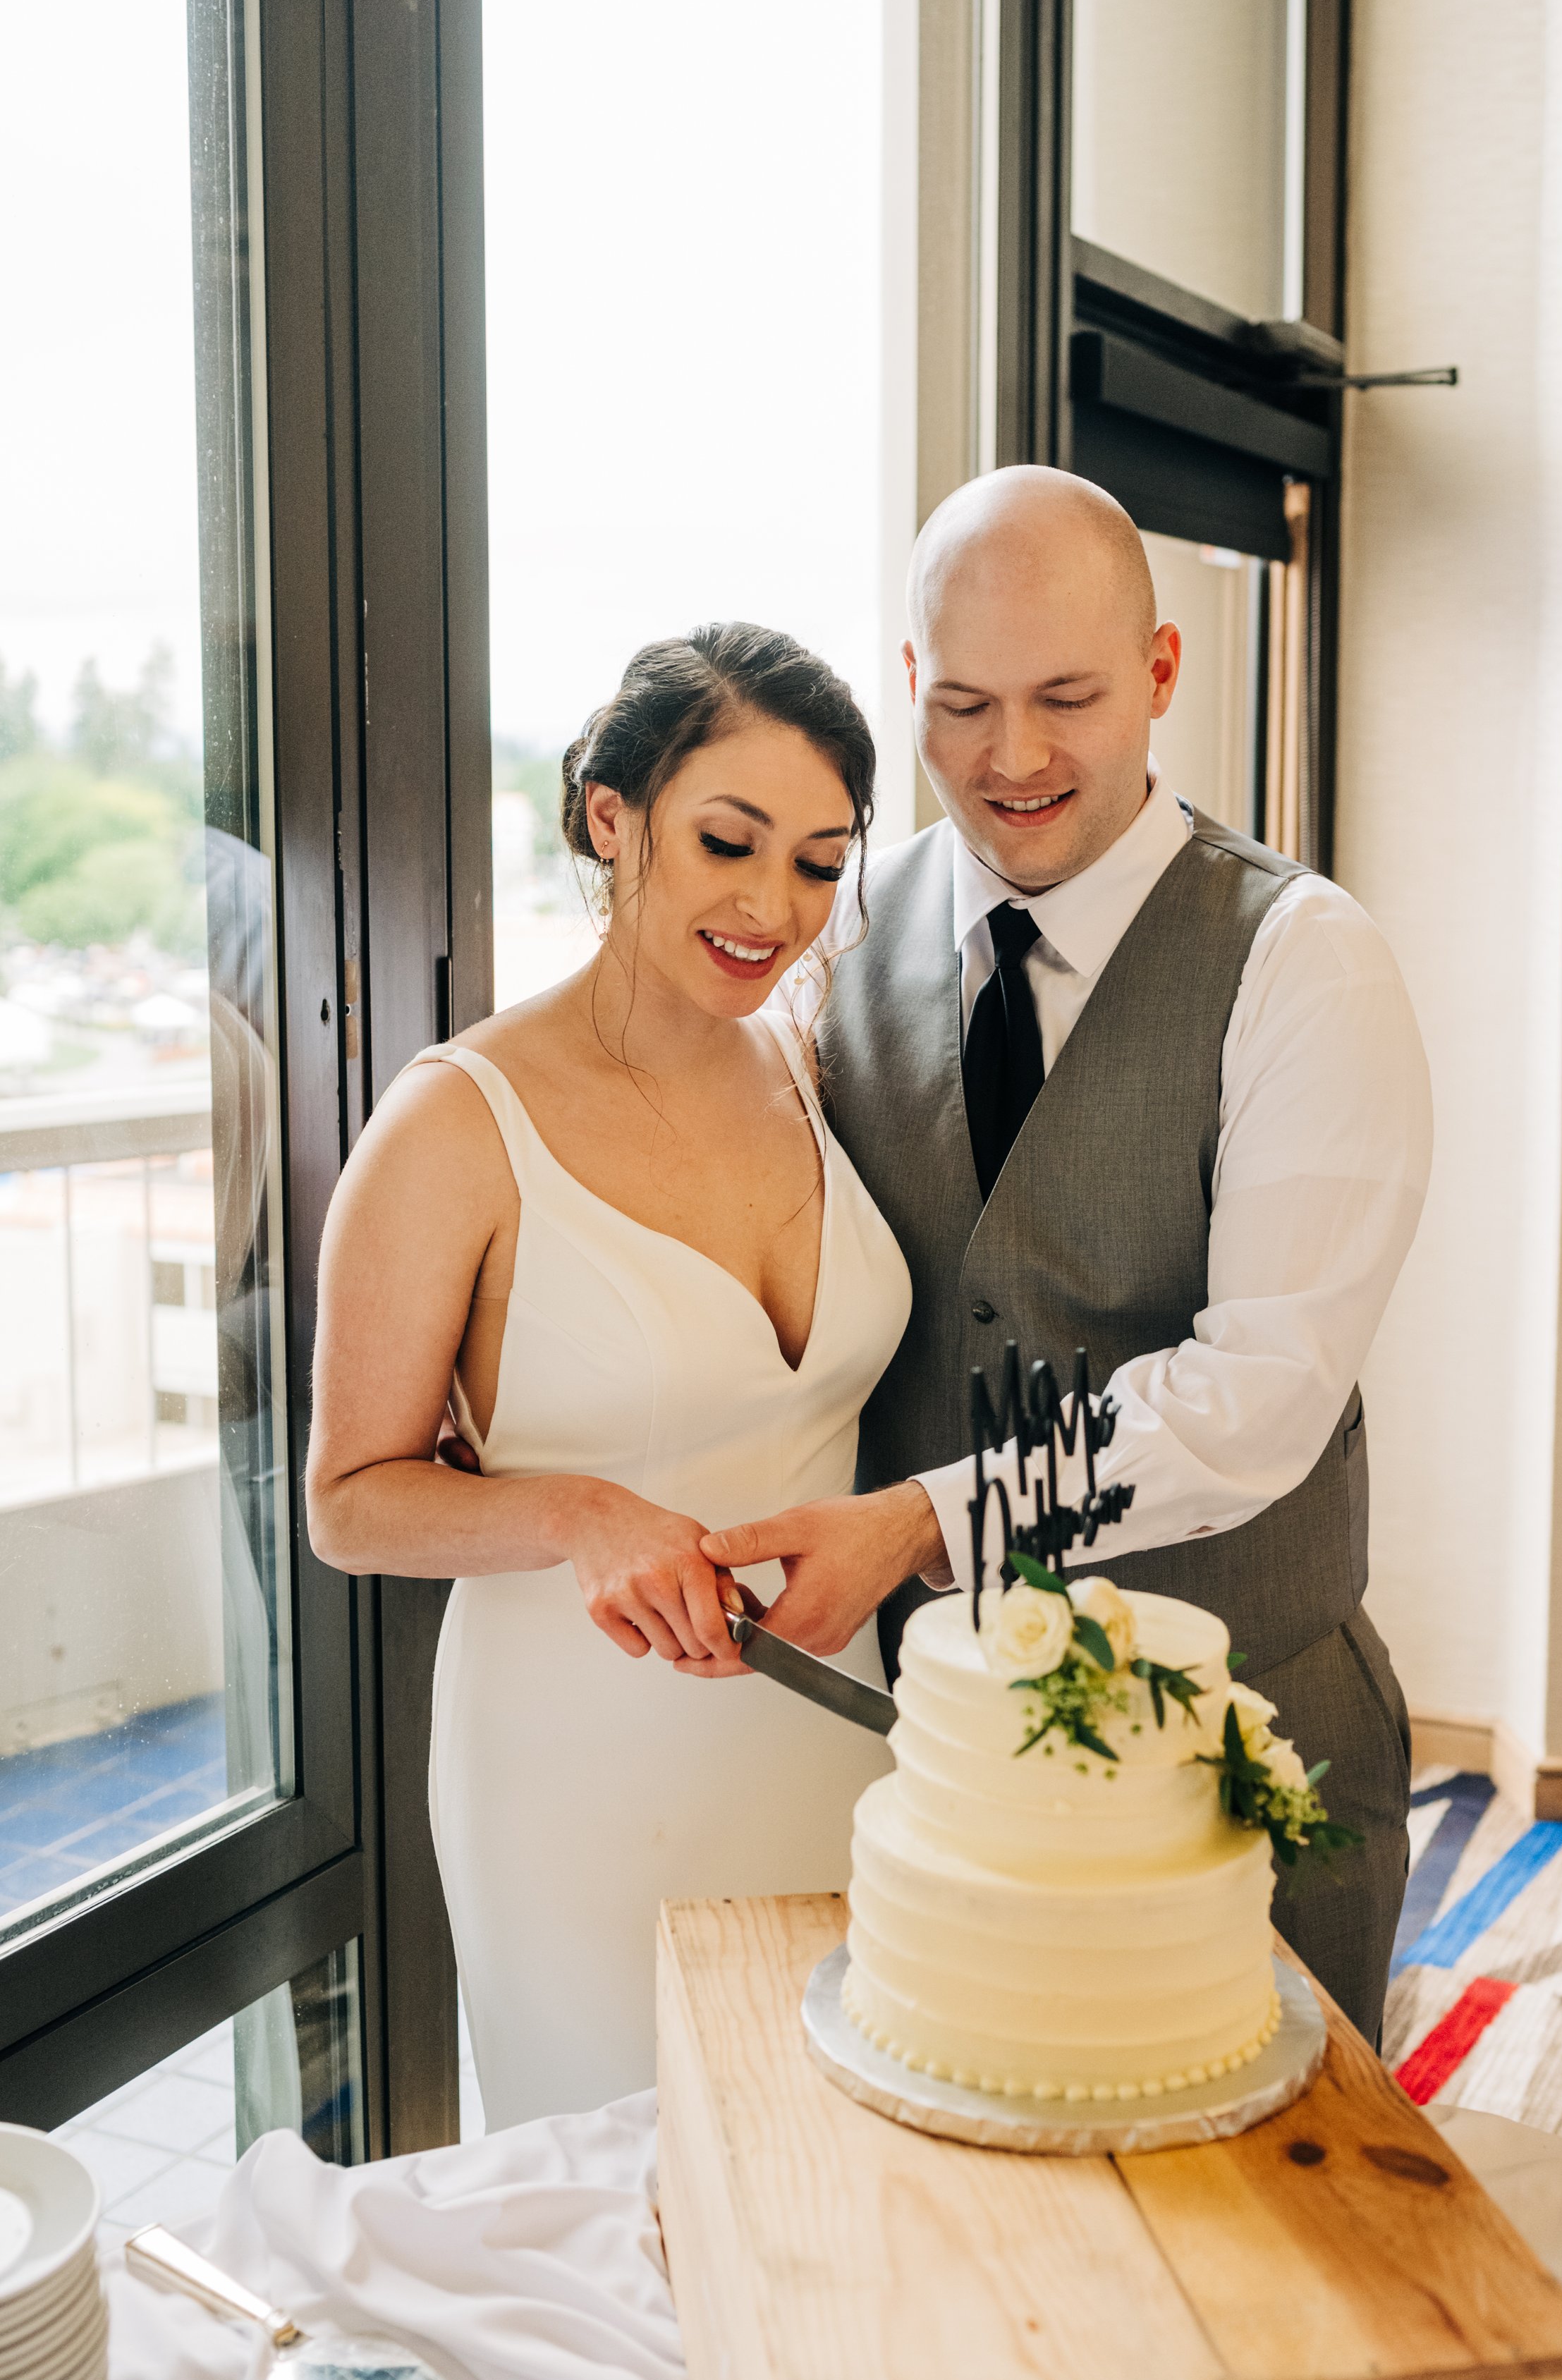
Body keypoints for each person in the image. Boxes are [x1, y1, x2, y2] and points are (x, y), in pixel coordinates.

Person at [700, 468, 1432, 2043]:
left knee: (1273, 2245)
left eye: (1066, 698)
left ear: (1160, 677)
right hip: (933, 1762)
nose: (1011, 757)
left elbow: (1258, 1403)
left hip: (1240, 1751)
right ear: (909, 685)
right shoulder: (837, 929)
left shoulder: (1303, 963)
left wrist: (913, 1527)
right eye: (961, 703)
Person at [305, 624, 911, 2125]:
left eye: (821, 863)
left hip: (829, 1726)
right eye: (728, 841)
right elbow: (349, 1503)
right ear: (607, 816)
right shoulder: (456, 1124)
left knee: (831, 2181)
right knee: (617, 2219)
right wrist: (580, 1513)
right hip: (577, 1777)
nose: (774, 906)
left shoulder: (812, 1067)